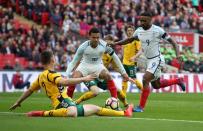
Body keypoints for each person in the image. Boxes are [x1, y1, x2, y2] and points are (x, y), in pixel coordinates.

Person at [9, 50, 133, 118]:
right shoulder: (51, 74)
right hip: (62, 105)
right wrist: (84, 79)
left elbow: (29, 90)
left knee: (96, 108)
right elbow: (65, 82)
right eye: (54, 56)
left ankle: (124, 113)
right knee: (72, 112)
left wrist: (18, 102)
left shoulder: (41, 76)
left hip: (67, 102)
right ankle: (41, 113)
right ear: (53, 59)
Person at [110, 12, 186, 112]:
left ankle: (140, 107)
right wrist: (115, 43)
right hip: (148, 60)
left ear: (150, 20)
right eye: (141, 20)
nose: (142, 22)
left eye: (144, 21)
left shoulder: (158, 30)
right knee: (156, 85)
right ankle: (178, 81)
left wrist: (177, 55)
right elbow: (129, 40)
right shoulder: (139, 31)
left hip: (157, 59)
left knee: (145, 79)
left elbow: (173, 42)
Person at [66, 27, 133, 100]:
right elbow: (73, 62)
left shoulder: (104, 45)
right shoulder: (83, 47)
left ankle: (114, 102)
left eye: (98, 37)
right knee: (74, 78)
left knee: (108, 75)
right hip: (84, 65)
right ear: (89, 37)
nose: (96, 40)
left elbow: (115, 58)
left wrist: (124, 73)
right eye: (93, 37)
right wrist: (66, 75)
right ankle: (68, 102)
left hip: (98, 66)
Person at [75, 35, 128, 107]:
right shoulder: (95, 50)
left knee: (117, 90)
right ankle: (77, 102)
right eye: (107, 43)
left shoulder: (110, 55)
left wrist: (123, 73)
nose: (108, 45)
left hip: (102, 77)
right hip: (90, 75)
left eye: (110, 44)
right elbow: (81, 59)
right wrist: (77, 69)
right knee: (95, 92)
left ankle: (125, 104)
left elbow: (116, 67)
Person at [121, 25, 143, 96]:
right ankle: (123, 96)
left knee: (133, 79)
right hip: (124, 62)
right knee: (124, 79)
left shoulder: (136, 40)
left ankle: (143, 90)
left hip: (132, 63)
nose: (129, 32)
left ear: (134, 31)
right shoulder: (125, 40)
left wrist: (134, 57)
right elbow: (123, 51)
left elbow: (140, 51)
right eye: (128, 30)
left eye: (131, 30)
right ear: (126, 32)